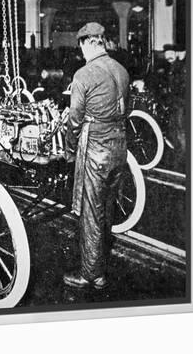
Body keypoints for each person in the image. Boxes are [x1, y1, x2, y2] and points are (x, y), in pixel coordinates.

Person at [64, 22, 130, 289]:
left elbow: (75, 119)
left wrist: (69, 151)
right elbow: (127, 109)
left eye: (81, 46)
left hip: (96, 149)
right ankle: (100, 266)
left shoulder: (84, 74)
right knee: (107, 208)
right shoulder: (121, 70)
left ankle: (91, 275)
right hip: (119, 147)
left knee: (91, 212)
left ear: (86, 43)